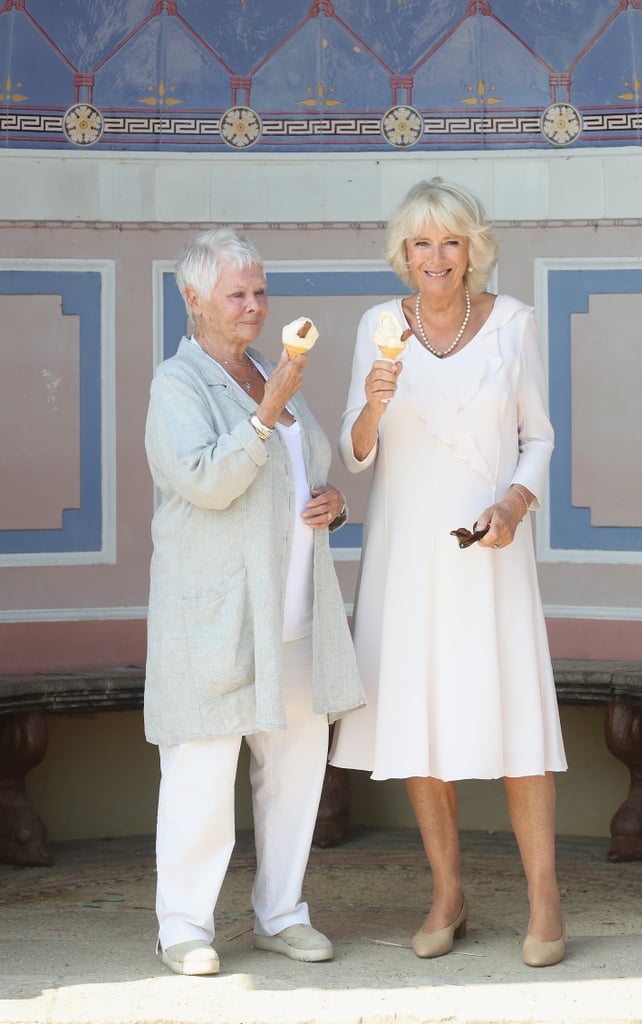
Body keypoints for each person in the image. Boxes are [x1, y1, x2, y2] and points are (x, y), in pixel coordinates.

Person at [329, 178, 567, 968]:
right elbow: (356, 452)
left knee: (518, 722)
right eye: (422, 243)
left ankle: (544, 898)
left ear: (473, 250)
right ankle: (448, 894)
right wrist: (370, 401)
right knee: (418, 722)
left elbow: (538, 437)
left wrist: (515, 505)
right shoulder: (375, 326)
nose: (436, 258)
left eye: (451, 242)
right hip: (406, 551)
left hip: (491, 553)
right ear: (404, 252)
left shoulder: (513, 324)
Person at [144, 227, 365, 976]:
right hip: (219, 616)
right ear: (194, 298)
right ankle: (183, 927)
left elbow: (304, 475)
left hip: (296, 612)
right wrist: (266, 413)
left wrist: (331, 502)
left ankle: (280, 913)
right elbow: (207, 481)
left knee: (295, 773)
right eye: (236, 294)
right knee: (202, 772)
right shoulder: (178, 384)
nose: (253, 306)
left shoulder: (267, 369)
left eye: (260, 291)